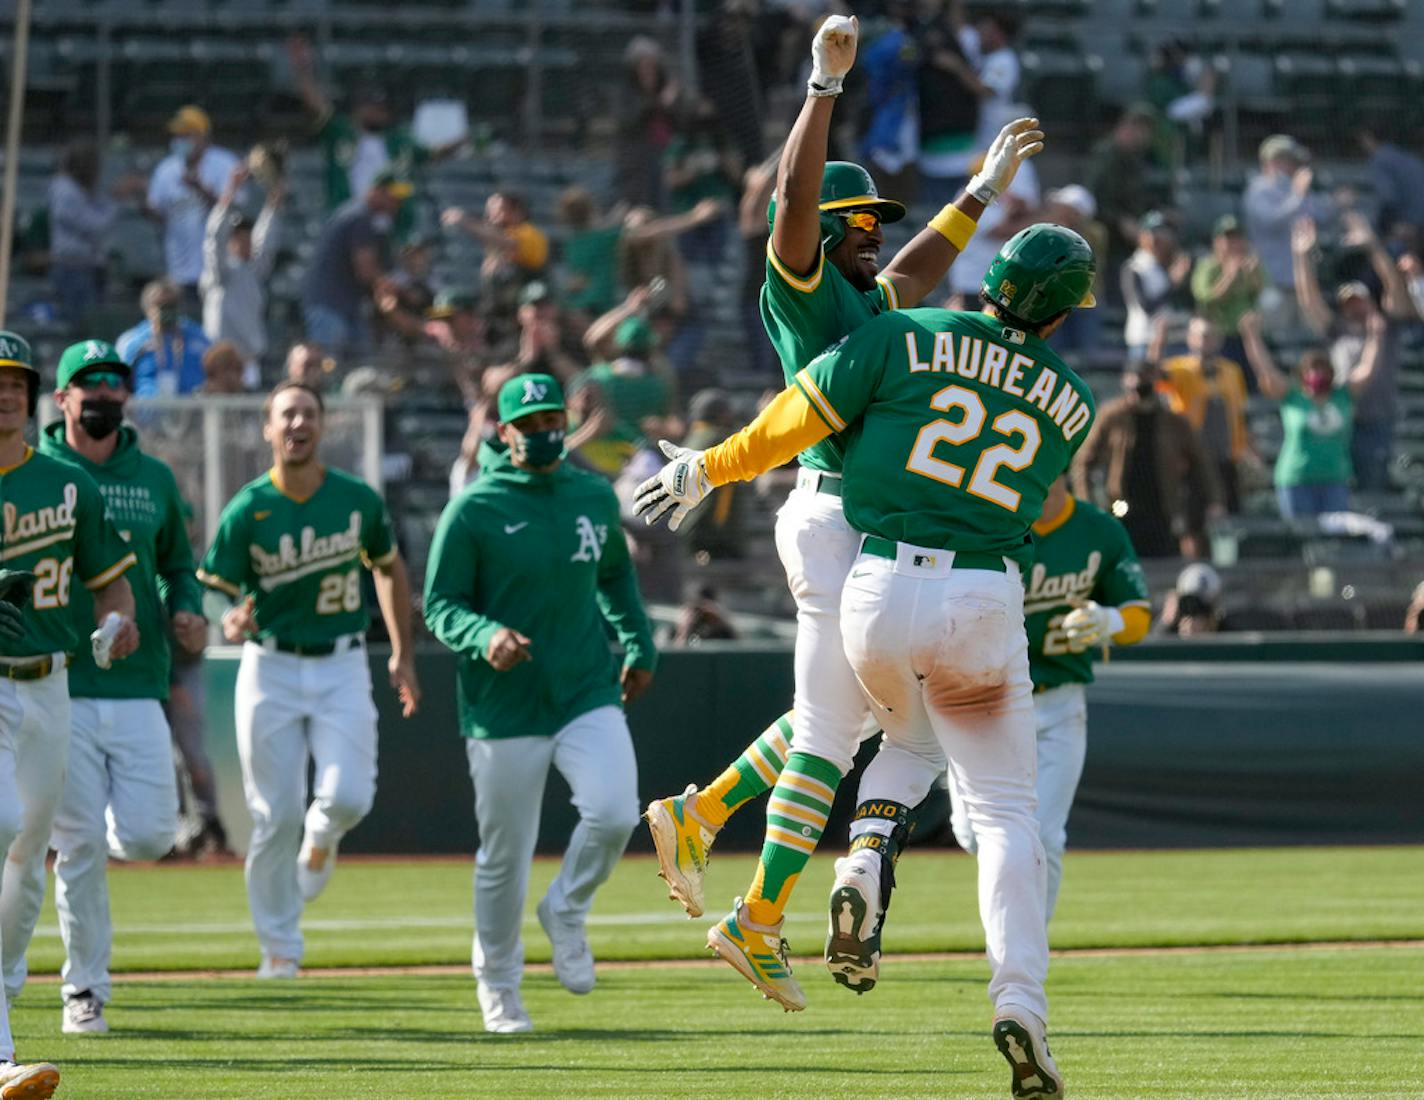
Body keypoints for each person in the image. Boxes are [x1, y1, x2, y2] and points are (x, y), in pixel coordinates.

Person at [635, 222, 1099, 1097]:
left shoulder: (902, 332)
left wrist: (709, 468)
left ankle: (844, 862)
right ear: (1066, 311)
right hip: (979, 591)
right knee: (1002, 814)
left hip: (876, 584)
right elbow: (1027, 499)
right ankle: (1019, 1001)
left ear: (992, 277)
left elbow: (788, 424)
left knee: (876, 730)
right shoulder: (1073, 400)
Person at [638, 12, 1043, 1013]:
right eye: (859, 221)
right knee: (832, 732)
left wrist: (977, 196)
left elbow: (911, 276)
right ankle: (757, 913)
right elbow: (788, 198)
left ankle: (705, 810)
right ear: (824, 231)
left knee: (850, 715)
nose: (876, 234)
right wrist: (820, 91)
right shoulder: (805, 282)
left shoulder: (864, 296)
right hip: (828, 512)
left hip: (847, 520)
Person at [422, 373, 657, 1034]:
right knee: (504, 853)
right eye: (527, 424)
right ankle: (499, 986)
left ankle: (568, 908)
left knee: (613, 812)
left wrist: (638, 643)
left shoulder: (590, 494)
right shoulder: (473, 507)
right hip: (504, 703)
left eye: (551, 418)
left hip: (584, 685)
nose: (544, 431)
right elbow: (440, 604)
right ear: (504, 432)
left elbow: (614, 573)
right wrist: (483, 633)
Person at [196, 380, 420, 979]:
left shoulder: (355, 499)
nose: (297, 422)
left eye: (308, 412)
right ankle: (279, 947)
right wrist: (230, 617)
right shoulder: (248, 508)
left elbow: (389, 567)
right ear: (268, 429)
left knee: (347, 796)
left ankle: (322, 833)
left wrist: (401, 651)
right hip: (268, 665)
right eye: (286, 413)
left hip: (341, 661)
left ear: (322, 427)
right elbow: (214, 590)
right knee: (272, 815)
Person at [38, 340, 206, 1035]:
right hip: (61, 680)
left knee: (147, 838)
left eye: (115, 383)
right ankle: (85, 990)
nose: (104, 394)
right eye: (90, 383)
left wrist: (186, 607)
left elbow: (178, 564)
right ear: (63, 399)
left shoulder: (156, 478)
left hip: (140, 681)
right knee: (78, 845)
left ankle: (80, 825)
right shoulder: (35, 472)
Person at [0, 332, 141, 1097]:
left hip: (50, 683)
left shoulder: (68, 484)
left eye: (17, 380)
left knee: (27, 858)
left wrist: (118, 623)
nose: (6, 392)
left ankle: (6, 980)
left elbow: (111, 584)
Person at [938, 476, 1150, 929]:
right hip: (987, 700)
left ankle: (1028, 950)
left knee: (1045, 837)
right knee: (973, 833)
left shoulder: (1099, 530)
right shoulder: (992, 522)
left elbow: (1138, 615)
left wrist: (1107, 618)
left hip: (1057, 703)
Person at [1293, 213, 1414, 493]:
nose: (1354, 307)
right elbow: (1309, 299)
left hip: (1376, 419)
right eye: (1348, 303)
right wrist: (1301, 257)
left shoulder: (1386, 325)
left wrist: (1373, 247)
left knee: (1372, 485)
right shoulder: (1339, 330)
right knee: (1339, 487)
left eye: (1358, 301)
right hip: (1340, 418)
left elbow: (1395, 288)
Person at [1238, 311, 1385, 519]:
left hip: (1335, 480)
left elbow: (1367, 370)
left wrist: (1375, 337)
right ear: (1302, 374)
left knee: (1334, 539)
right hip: (1296, 480)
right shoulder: (1292, 396)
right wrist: (1251, 336)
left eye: (1322, 369)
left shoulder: (1342, 396)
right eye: (1311, 369)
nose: (1317, 375)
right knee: (1303, 539)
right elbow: (1266, 370)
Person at [1072, 361, 1222, 558]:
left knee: (1163, 562)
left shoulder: (1174, 422)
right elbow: (1084, 461)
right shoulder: (1112, 416)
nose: (1140, 384)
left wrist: (1214, 500)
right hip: (1120, 506)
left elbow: (1202, 463)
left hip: (1162, 507)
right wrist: (1088, 504)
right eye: (1135, 378)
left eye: (1146, 377)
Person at [300, 170, 413, 357]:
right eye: (392, 195)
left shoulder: (360, 215)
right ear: (376, 191)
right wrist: (398, 288)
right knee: (329, 368)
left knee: (355, 369)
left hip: (345, 306)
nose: (397, 202)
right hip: (331, 306)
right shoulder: (360, 217)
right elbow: (366, 271)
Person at [145, 106, 240, 310]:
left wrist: (200, 189)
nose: (180, 140)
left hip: (218, 268)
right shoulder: (166, 169)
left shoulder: (225, 164)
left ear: (203, 136)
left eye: (187, 135)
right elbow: (157, 213)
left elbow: (236, 213)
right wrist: (139, 200)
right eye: (178, 135)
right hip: (178, 267)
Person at [1157, 315, 1251, 514]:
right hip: (1192, 461)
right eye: (1201, 335)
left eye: (1211, 336)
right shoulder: (1179, 369)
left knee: (1231, 518)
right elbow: (1153, 376)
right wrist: (1159, 340)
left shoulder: (1232, 371)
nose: (1206, 341)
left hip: (1225, 458)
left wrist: (1249, 451)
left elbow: (1239, 415)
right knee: (1193, 520)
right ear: (1190, 338)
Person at [201, 165, 283, 383]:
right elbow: (214, 239)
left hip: (249, 363)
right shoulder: (221, 272)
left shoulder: (254, 270)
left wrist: (273, 200)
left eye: (247, 235)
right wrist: (230, 192)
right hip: (220, 364)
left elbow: (266, 239)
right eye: (237, 236)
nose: (244, 241)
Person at [49, 141, 140, 329]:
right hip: (73, 270)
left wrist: (114, 197)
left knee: (92, 324)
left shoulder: (78, 188)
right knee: (81, 326)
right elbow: (94, 226)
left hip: (86, 268)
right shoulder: (65, 190)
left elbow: (97, 209)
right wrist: (118, 200)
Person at [115, 279, 212, 397]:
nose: (167, 311)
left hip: (191, 410)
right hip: (147, 410)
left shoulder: (199, 337)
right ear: (148, 308)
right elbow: (120, 382)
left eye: (172, 305)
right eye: (161, 306)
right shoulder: (132, 341)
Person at [1121, 211, 1190, 361]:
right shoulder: (1133, 267)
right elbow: (1146, 307)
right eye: (1153, 234)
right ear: (1142, 237)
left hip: (1171, 339)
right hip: (1143, 340)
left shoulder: (1165, 265)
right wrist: (1172, 283)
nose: (1158, 240)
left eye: (1163, 235)